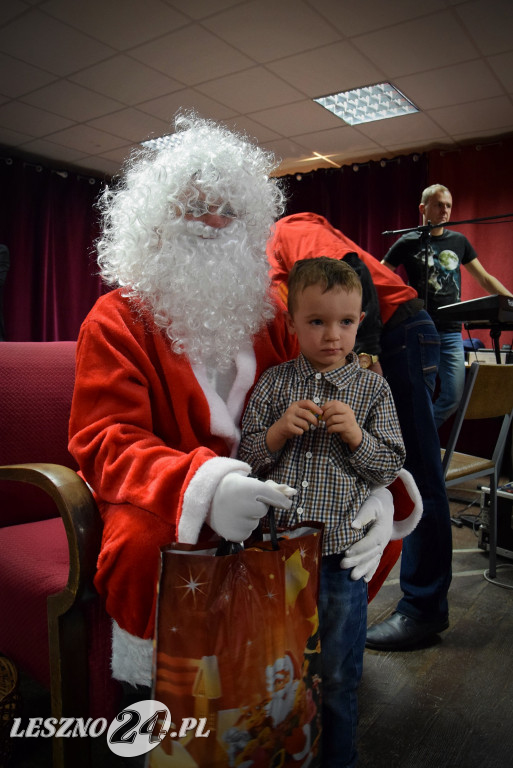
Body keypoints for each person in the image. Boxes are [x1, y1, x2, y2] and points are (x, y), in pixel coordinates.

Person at [67, 116, 418, 697]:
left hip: (281, 481)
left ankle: (298, 678)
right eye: (193, 207)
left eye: (228, 210)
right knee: (142, 543)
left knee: (359, 524)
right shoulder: (115, 318)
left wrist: (379, 489)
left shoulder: (272, 316)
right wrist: (205, 486)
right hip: (164, 491)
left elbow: (331, 392)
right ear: (152, 221)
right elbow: (107, 439)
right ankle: (163, 699)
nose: (212, 222)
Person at [239, 256, 406, 768]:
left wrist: (357, 436)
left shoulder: (374, 389)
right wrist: (275, 434)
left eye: (346, 322)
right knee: (274, 668)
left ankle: (338, 758)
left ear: (360, 322)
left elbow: (390, 466)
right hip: (275, 558)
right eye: (316, 321)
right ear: (291, 324)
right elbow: (243, 459)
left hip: (338, 561)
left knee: (337, 674)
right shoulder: (273, 384)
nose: (332, 336)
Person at [267, 212, 453, 651]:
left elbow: (348, 268)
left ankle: (423, 609)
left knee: (416, 472)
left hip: (396, 332)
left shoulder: (284, 230)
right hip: (396, 332)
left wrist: (364, 356)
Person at [382, 183, 513, 428]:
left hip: (451, 331)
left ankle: (416, 440)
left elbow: (484, 278)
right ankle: (419, 447)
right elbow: (379, 274)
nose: (445, 210)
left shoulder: (458, 241)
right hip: (420, 329)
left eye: (449, 206)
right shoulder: (407, 241)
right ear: (423, 208)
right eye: (439, 205)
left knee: (452, 397)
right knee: (418, 396)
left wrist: (510, 301)